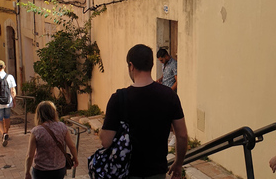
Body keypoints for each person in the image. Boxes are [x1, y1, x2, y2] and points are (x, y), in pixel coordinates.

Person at [100, 44, 188, 179]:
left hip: (127, 172)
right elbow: (181, 135)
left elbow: (106, 141)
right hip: (157, 171)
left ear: (131, 65)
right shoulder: (169, 95)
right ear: (152, 65)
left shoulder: (118, 98)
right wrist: (178, 163)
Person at [25, 101, 79, 179]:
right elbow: (72, 146)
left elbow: (30, 155)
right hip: (59, 168)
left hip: (41, 170)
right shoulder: (62, 127)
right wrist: (75, 158)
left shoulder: (36, 131)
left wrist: (27, 172)